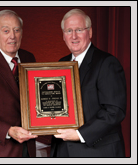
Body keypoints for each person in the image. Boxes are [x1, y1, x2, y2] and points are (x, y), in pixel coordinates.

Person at [50, 9, 126, 157]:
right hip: (63, 150)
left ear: (90, 32)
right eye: (68, 31)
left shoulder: (107, 63)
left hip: (98, 151)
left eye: (79, 29)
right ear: (63, 36)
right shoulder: (61, 63)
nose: (74, 36)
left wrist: (80, 134)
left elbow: (115, 111)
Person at [0, 10, 38, 157]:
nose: (12, 36)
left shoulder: (29, 58)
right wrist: (8, 131)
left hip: (29, 148)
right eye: (6, 31)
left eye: (16, 30)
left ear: (22, 33)